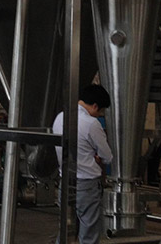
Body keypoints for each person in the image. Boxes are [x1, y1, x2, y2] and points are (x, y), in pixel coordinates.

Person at [52, 85, 113, 244]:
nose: (98, 115)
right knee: (88, 233)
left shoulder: (60, 117)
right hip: (86, 185)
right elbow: (107, 156)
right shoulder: (92, 123)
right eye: (100, 111)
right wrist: (96, 158)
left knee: (66, 229)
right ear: (95, 106)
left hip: (65, 182)